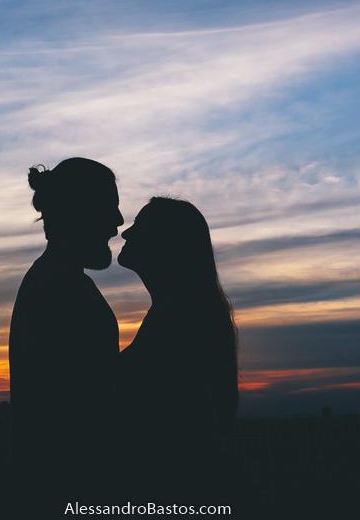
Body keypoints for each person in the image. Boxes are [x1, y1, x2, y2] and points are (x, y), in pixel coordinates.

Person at [7, 157, 124, 496]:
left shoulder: (54, 283)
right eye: (109, 207)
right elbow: (87, 412)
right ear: (79, 213)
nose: (117, 221)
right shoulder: (59, 291)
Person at [117, 197, 238, 495]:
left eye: (140, 226)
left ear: (166, 243)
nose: (125, 233)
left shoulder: (179, 321)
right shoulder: (180, 313)